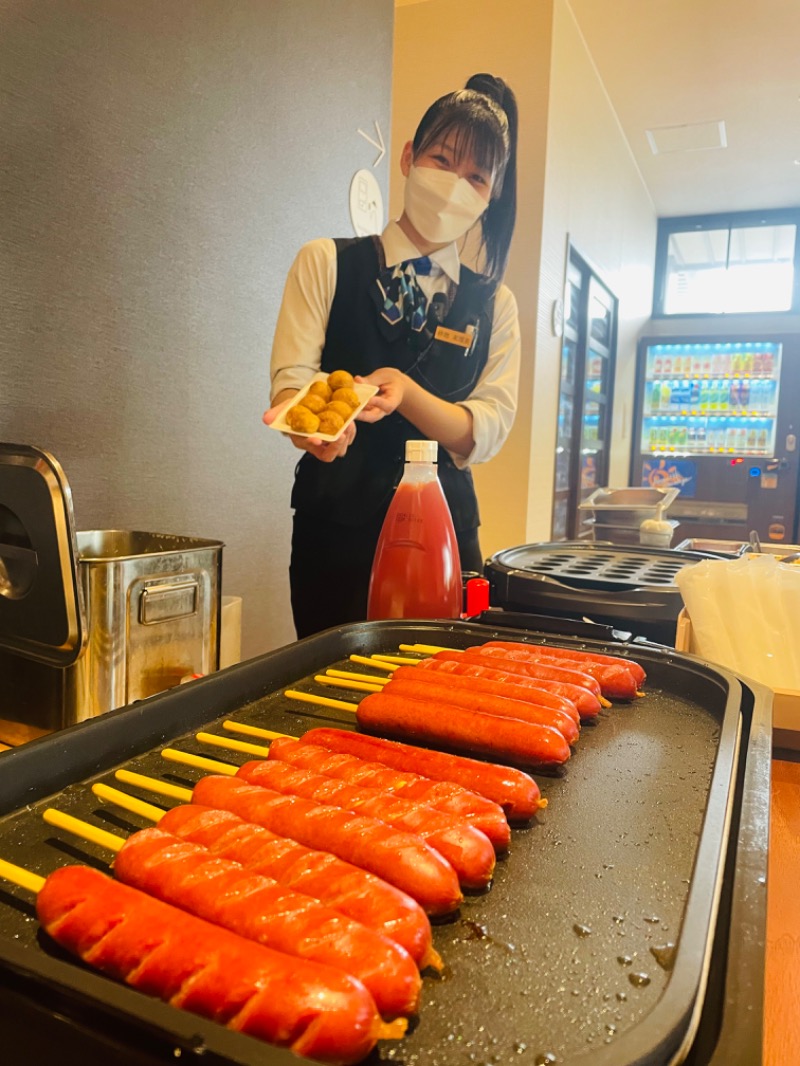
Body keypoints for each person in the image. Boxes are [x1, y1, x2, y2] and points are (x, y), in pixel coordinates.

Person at [264, 73, 521, 639]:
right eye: (442, 159)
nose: (455, 185)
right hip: (335, 531)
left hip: (446, 537)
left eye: (475, 176)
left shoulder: (494, 304)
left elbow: (484, 431)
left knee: (439, 707)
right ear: (407, 157)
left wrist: (406, 394)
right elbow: (293, 387)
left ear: (490, 196)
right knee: (331, 700)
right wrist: (312, 429)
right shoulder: (326, 262)